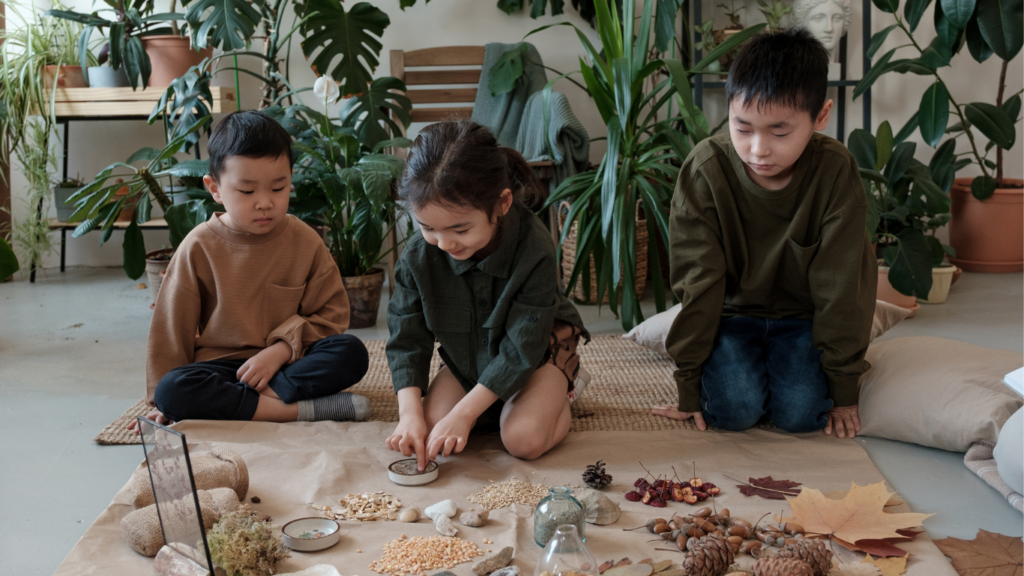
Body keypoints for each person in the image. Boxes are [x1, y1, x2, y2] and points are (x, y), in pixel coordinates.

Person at [653, 29, 876, 438]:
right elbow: (698, 284)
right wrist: (689, 383)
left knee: (802, 416)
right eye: (743, 128)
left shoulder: (834, 170)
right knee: (732, 412)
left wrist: (845, 389)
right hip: (731, 316)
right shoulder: (706, 170)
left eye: (779, 132)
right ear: (730, 110)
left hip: (801, 320)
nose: (758, 149)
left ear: (820, 116)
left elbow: (842, 289)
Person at [129, 110, 370, 432]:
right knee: (173, 389)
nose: (264, 203)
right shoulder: (198, 246)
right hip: (221, 370)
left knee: (350, 352)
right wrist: (161, 402)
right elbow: (171, 328)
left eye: (278, 188)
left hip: (287, 365)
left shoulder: (305, 240)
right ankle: (293, 411)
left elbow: (331, 316)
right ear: (214, 188)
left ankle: (250, 405)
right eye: (247, 191)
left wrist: (279, 352)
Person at [385, 121, 589, 469]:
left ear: (502, 203)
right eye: (428, 227)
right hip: (469, 353)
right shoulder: (419, 257)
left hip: (536, 351)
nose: (445, 243)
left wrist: (465, 413)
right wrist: (409, 414)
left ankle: (564, 387)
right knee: (432, 429)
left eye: (460, 229)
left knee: (522, 439)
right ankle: (497, 401)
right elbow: (407, 338)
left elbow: (522, 347)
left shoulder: (534, 247)